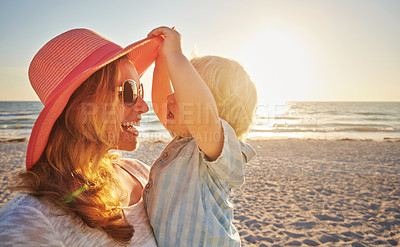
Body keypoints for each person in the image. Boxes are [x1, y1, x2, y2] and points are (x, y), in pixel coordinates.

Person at [0, 28, 163, 246]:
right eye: (129, 92)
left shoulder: (141, 173)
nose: (143, 106)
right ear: (81, 107)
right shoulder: (31, 223)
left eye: (139, 90)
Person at [143, 27, 258, 246]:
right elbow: (160, 102)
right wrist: (162, 62)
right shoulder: (183, 140)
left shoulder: (219, 147)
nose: (170, 96)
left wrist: (175, 55)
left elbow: (200, 112)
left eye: (181, 89)